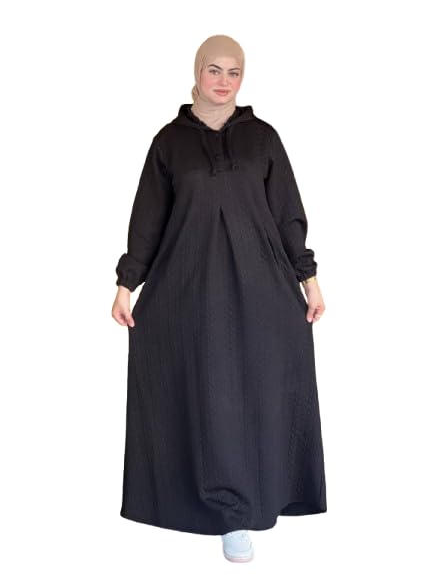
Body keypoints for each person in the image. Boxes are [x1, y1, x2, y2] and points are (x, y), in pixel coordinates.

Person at [112, 34, 327, 563]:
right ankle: (219, 511)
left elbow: (288, 213)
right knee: (207, 393)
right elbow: (148, 219)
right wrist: (126, 283)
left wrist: (309, 278)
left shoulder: (262, 138)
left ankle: (251, 505)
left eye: (234, 72)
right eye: (214, 70)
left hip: (260, 287)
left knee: (256, 391)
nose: (224, 81)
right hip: (189, 287)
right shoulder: (169, 143)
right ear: (197, 71)